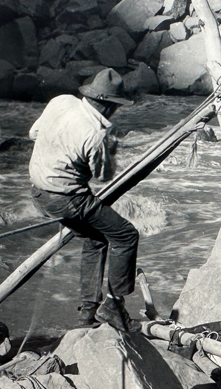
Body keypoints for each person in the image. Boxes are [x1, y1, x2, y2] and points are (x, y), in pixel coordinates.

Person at [28, 68, 140, 331]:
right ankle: (113, 306)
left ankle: (87, 312)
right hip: (67, 199)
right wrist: (110, 150)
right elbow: (103, 176)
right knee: (126, 235)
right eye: (116, 106)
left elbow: (34, 133)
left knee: (96, 237)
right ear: (109, 106)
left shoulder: (61, 101)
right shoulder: (95, 133)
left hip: (38, 192)